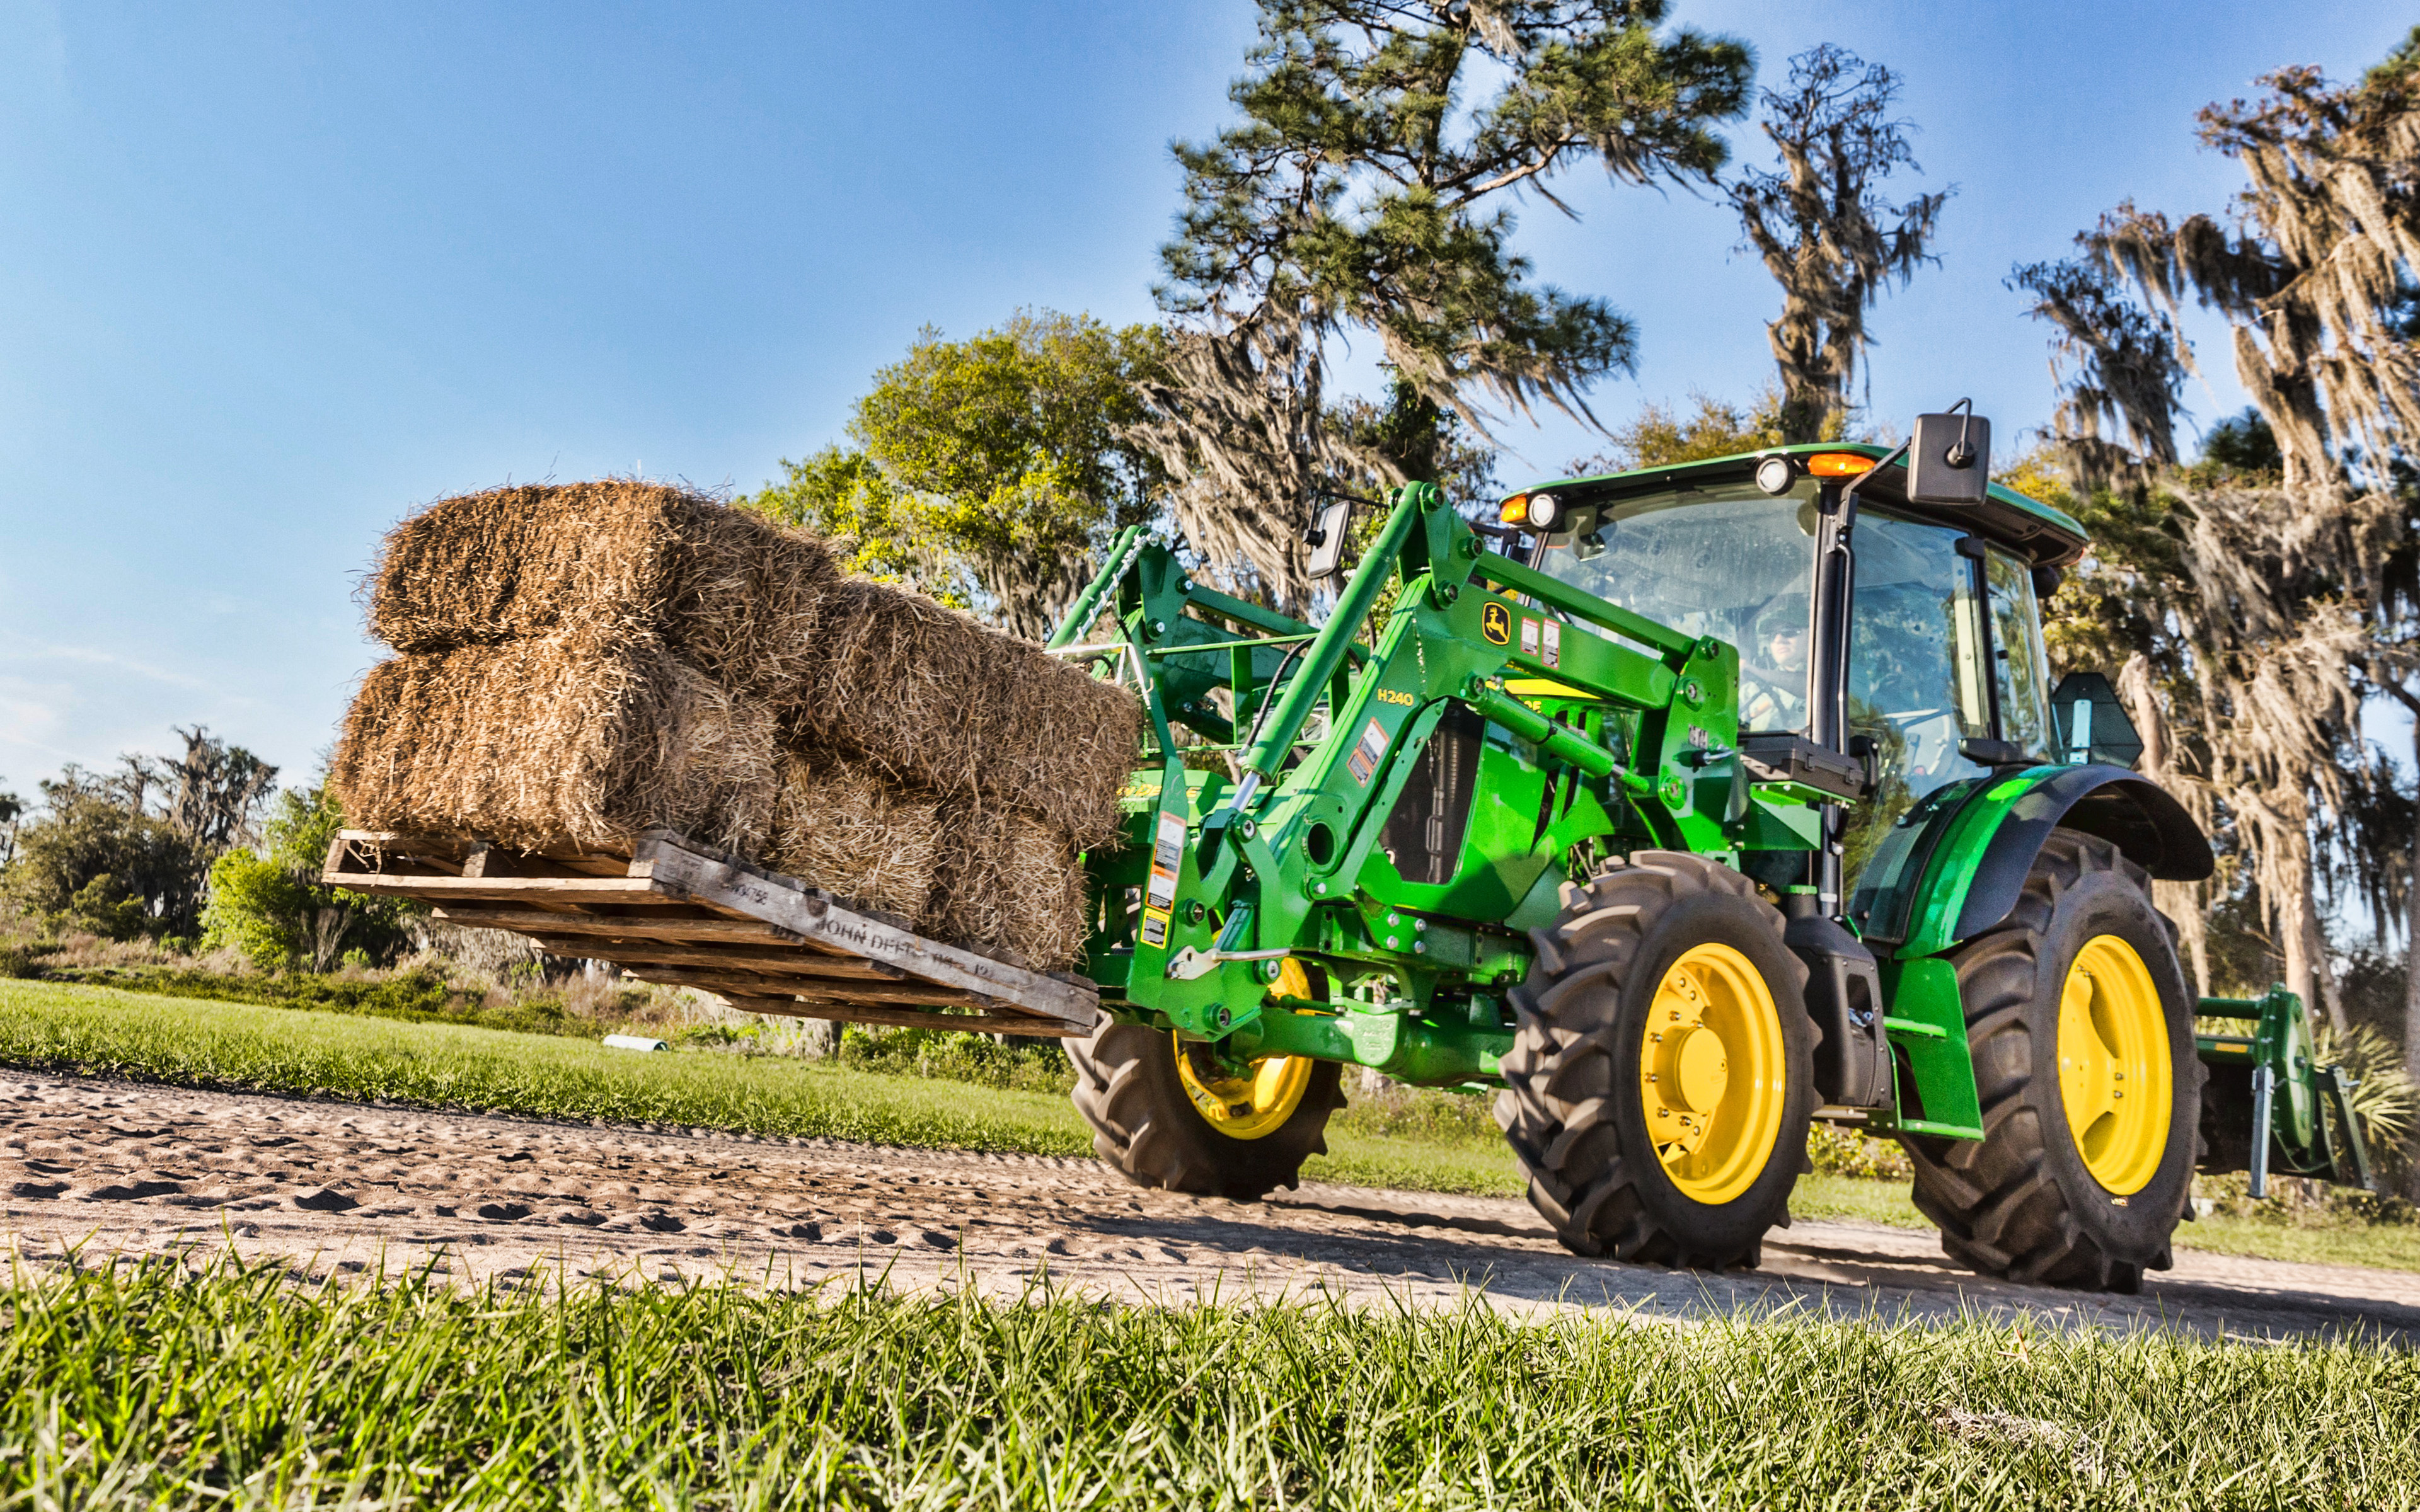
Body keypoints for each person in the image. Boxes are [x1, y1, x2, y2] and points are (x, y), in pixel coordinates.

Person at [1741, 592, 1811, 731]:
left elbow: (1813, 687)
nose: (1778, 640)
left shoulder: (1843, 676)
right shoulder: (1749, 691)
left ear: (1812, 634)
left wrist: (1755, 671)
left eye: (1789, 631)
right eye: (1772, 635)